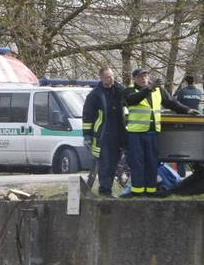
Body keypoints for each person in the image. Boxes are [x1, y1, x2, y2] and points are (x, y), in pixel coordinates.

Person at [123, 68, 197, 197]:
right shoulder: (129, 91)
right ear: (134, 79)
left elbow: (171, 102)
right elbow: (132, 100)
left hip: (152, 133)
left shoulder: (157, 90)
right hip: (136, 133)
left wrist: (187, 110)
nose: (144, 79)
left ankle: (151, 191)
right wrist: (148, 88)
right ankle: (137, 191)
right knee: (137, 163)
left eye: (145, 76)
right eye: (140, 77)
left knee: (152, 162)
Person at [82, 67, 127, 197]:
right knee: (105, 164)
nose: (111, 79)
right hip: (103, 135)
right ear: (101, 78)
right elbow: (87, 116)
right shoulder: (95, 95)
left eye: (112, 76)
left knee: (114, 163)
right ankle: (105, 190)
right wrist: (87, 135)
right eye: (108, 77)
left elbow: (128, 97)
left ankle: (108, 189)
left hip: (118, 134)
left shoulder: (118, 90)